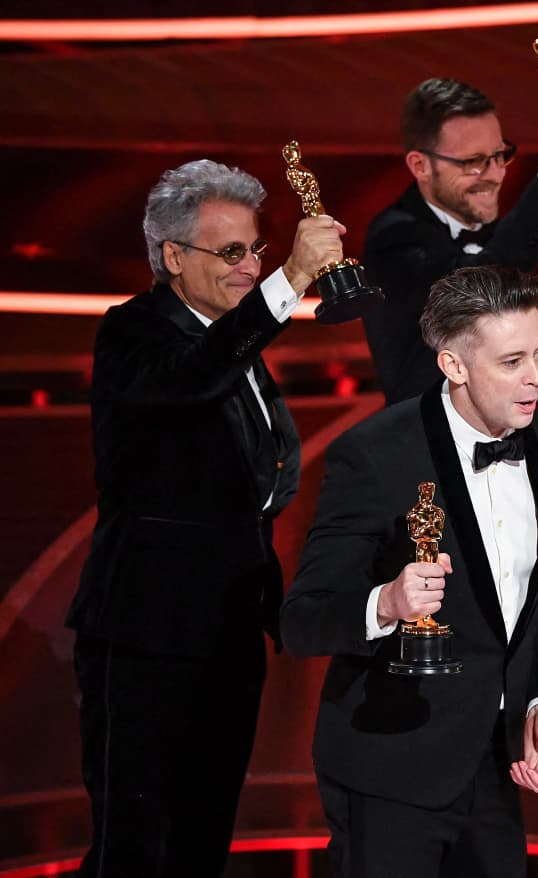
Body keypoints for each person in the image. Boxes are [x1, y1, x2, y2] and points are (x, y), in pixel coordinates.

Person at [66, 159, 346, 876]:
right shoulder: (134, 333)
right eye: (231, 253)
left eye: (255, 250)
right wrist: (290, 283)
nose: (251, 267)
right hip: (147, 631)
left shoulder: (234, 338)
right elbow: (193, 378)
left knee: (203, 835)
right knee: (136, 844)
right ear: (171, 256)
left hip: (227, 627)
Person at [280, 265, 538, 878]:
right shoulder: (376, 454)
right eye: (512, 361)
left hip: (496, 767)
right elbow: (303, 621)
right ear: (454, 366)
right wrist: (384, 603)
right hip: (391, 767)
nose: (534, 378)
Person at [363, 77, 538, 404]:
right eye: (473, 162)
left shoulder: (493, 231)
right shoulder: (393, 239)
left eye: (499, 156)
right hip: (431, 447)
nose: (495, 175)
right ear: (420, 165)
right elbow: (477, 287)